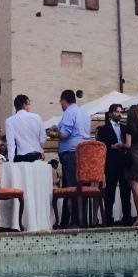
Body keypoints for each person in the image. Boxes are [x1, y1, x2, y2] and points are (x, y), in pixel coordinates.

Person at [48, 89, 90, 227]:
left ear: (63, 100)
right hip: (84, 154)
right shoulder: (84, 112)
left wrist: (52, 133)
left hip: (71, 154)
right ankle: (70, 220)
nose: (60, 104)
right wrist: (58, 127)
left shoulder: (68, 112)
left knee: (72, 187)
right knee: (76, 186)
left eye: (60, 102)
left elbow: (64, 134)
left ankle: (75, 221)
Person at [96, 103, 132, 227]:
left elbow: (129, 143)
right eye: (117, 112)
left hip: (123, 163)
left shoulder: (124, 128)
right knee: (110, 193)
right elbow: (101, 147)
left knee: (125, 192)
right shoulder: (103, 129)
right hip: (111, 163)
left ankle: (127, 219)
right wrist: (112, 146)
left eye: (121, 112)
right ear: (111, 113)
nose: (119, 114)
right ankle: (108, 220)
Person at [4, 94, 46, 162]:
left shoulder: (9, 121)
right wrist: (41, 151)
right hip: (36, 156)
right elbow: (43, 139)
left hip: (21, 157)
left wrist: (10, 160)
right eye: (29, 104)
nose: (30, 106)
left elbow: (11, 144)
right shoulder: (37, 117)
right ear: (24, 104)